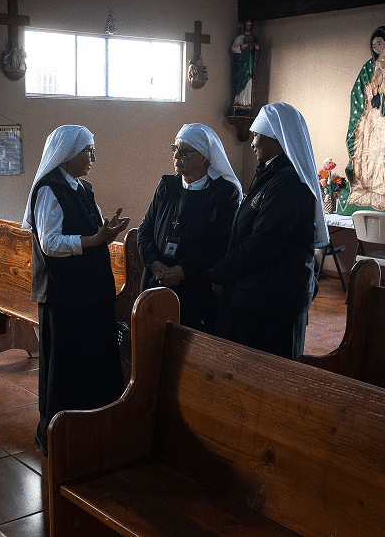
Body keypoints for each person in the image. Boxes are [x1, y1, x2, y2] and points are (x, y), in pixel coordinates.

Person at [21, 125, 129, 456]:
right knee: (67, 367)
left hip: (91, 292)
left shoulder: (82, 188)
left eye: (93, 150)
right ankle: (61, 432)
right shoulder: (48, 190)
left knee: (94, 360)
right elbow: (50, 243)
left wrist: (105, 234)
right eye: (88, 151)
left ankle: (95, 426)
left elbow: (90, 233)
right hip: (64, 295)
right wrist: (95, 240)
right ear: (68, 153)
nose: (93, 157)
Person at [209, 103, 328, 360]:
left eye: (256, 135)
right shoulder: (272, 174)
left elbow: (263, 243)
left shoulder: (288, 182)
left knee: (267, 376)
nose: (252, 143)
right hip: (261, 295)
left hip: (274, 300)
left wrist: (219, 273)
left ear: (276, 137)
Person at [137, 124, 241, 333]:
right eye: (174, 149)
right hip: (157, 281)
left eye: (184, 151)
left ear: (204, 157)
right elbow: (145, 229)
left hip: (197, 287)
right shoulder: (167, 185)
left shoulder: (223, 193)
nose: (176, 155)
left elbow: (222, 244)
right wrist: (154, 263)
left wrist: (183, 270)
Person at [339, 26, 385, 214]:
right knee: (363, 151)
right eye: (374, 45)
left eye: (380, 43)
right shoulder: (368, 67)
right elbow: (358, 92)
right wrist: (370, 93)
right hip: (368, 116)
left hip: (382, 117)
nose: (377, 48)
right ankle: (360, 189)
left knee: (378, 152)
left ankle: (378, 188)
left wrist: (384, 94)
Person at [230, 19, 259, 113]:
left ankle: (247, 102)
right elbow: (233, 49)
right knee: (240, 82)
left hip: (250, 64)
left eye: (249, 25)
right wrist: (242, 47)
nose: (248, 27)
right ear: (244, 26)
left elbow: (257, 52)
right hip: (241, 64)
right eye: (246, 25)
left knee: (249, 82)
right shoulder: (239, 38)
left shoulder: (254, 38)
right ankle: (239, 101)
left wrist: (256, 48)